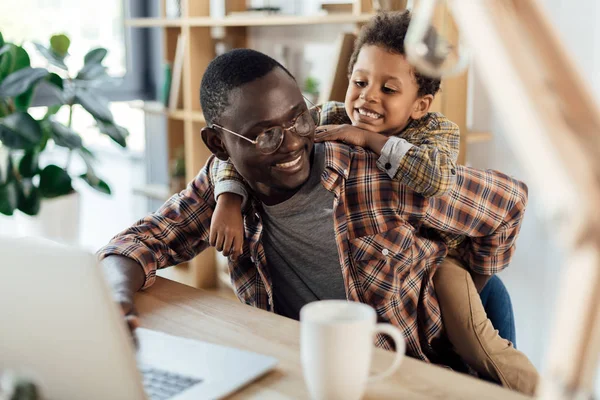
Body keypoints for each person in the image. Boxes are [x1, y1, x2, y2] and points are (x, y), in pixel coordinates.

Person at [98, 48, 537, 394]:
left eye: (298, 118)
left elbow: (509, 200)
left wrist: (475, 279)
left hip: (407, 375)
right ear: (218, 144)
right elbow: (141, 240)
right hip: (306, 376)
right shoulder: (226, 191)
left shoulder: (373, 176)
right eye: (266, 134)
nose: (291, 144)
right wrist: (116, 297)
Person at [206, 11, 538, 393]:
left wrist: (369, 140)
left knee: (485, 354)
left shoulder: (435, 131)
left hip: (445, 262)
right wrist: (229, 197)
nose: (367, 97)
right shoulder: (330, 116)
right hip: (400, 275)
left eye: (389, 89)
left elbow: (435, 179)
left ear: (420, 104)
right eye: (360, 82)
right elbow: (255, 145)